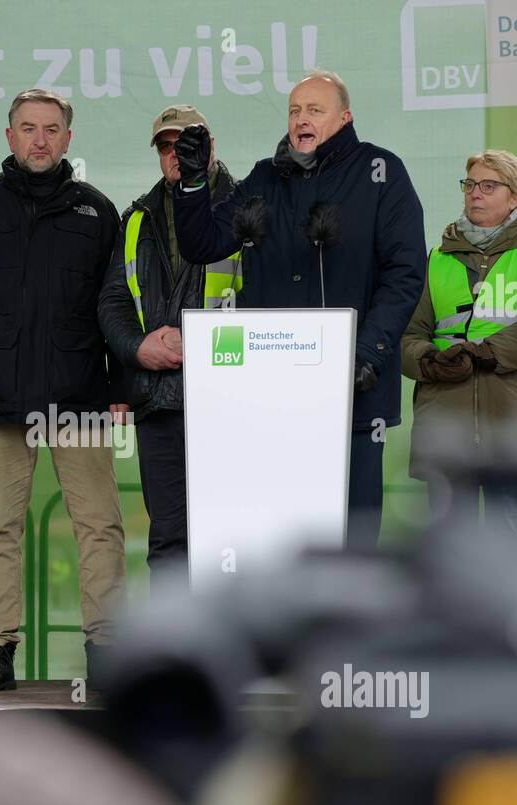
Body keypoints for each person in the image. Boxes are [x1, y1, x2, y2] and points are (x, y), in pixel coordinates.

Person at [171, 69, 426, 547]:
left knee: (351, 537)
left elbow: (406, 272)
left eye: (314, 109)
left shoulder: (381, 173)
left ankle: (353, 623)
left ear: (344, 117)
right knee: (277, 534)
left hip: (354, 394)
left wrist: (367, 352)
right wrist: (191, 184)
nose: (300, 119)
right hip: (272, 395)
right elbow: (203, 243)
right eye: (293, 110)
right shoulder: (266, 177)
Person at [0, 88, 124, 692]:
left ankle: (107, 653)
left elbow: (117, 305)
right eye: (28, 128)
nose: (40, 139)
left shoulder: (98, 211)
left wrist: (121, 386)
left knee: (100, 525)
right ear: (9, 136)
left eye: (52, 129)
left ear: (69, 138)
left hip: (80, 395)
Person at [97, 104, 239, 592]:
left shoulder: (246, 206)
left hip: (233, 399)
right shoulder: (136, 218)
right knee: (169, 541)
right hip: (159, 399)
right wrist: (137, 349)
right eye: (166, 146)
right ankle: (178, 659)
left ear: (210, 148)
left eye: (187, 144)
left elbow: (272, 303)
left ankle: (229, 662)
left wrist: (203, 344)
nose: (176, 155)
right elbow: (113, 301)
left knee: (232, 541)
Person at [400, 149, 517, 538]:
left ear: (515, 196)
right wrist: (429, 361)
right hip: (445, 426)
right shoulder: (437, 256)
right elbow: (407, 337)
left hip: (514, 425)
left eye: (489, 185)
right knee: (448, 555)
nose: (475, 193)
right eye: (470, 184)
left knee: (510, 551)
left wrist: (490, 352)